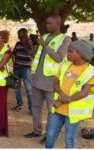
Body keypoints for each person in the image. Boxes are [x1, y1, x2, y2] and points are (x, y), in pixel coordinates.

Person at [24, 14, 71, 143]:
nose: (47, 25)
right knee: (35, 106)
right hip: (37, 79)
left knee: (51, 110)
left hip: (52, 81)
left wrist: (45, 45)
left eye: (50, 23)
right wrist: (32, 45)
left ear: (58, 24)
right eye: (46, 23)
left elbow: (59, 58)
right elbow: (39, 56)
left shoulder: (65, 39)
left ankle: (48, 134)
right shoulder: (44, 37)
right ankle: (36, 130)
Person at [45, 40, 94, 148]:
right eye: (67, 51)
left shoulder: (91, 71)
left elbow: (84, 93)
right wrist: (61, 93)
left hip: (73, 113)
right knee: (50, 135)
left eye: (71, 52)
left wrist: (61, 100)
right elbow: (55, 83)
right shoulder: (65, 65)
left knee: (69, 139)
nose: (67, 53)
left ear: (81, 54)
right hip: (57, 109)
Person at [11, 28, 34, 113]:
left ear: (26, 34)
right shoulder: (17, 43)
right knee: (17, 87)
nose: (21, 35)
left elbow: (30, 53)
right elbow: (14, 53)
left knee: (29, 89)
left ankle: (31, 109)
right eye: (19, 33)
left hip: (26, 69)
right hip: (16, 68)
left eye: (22, 34)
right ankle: (19, 105)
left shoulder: (30, 43)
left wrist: (25, 44)